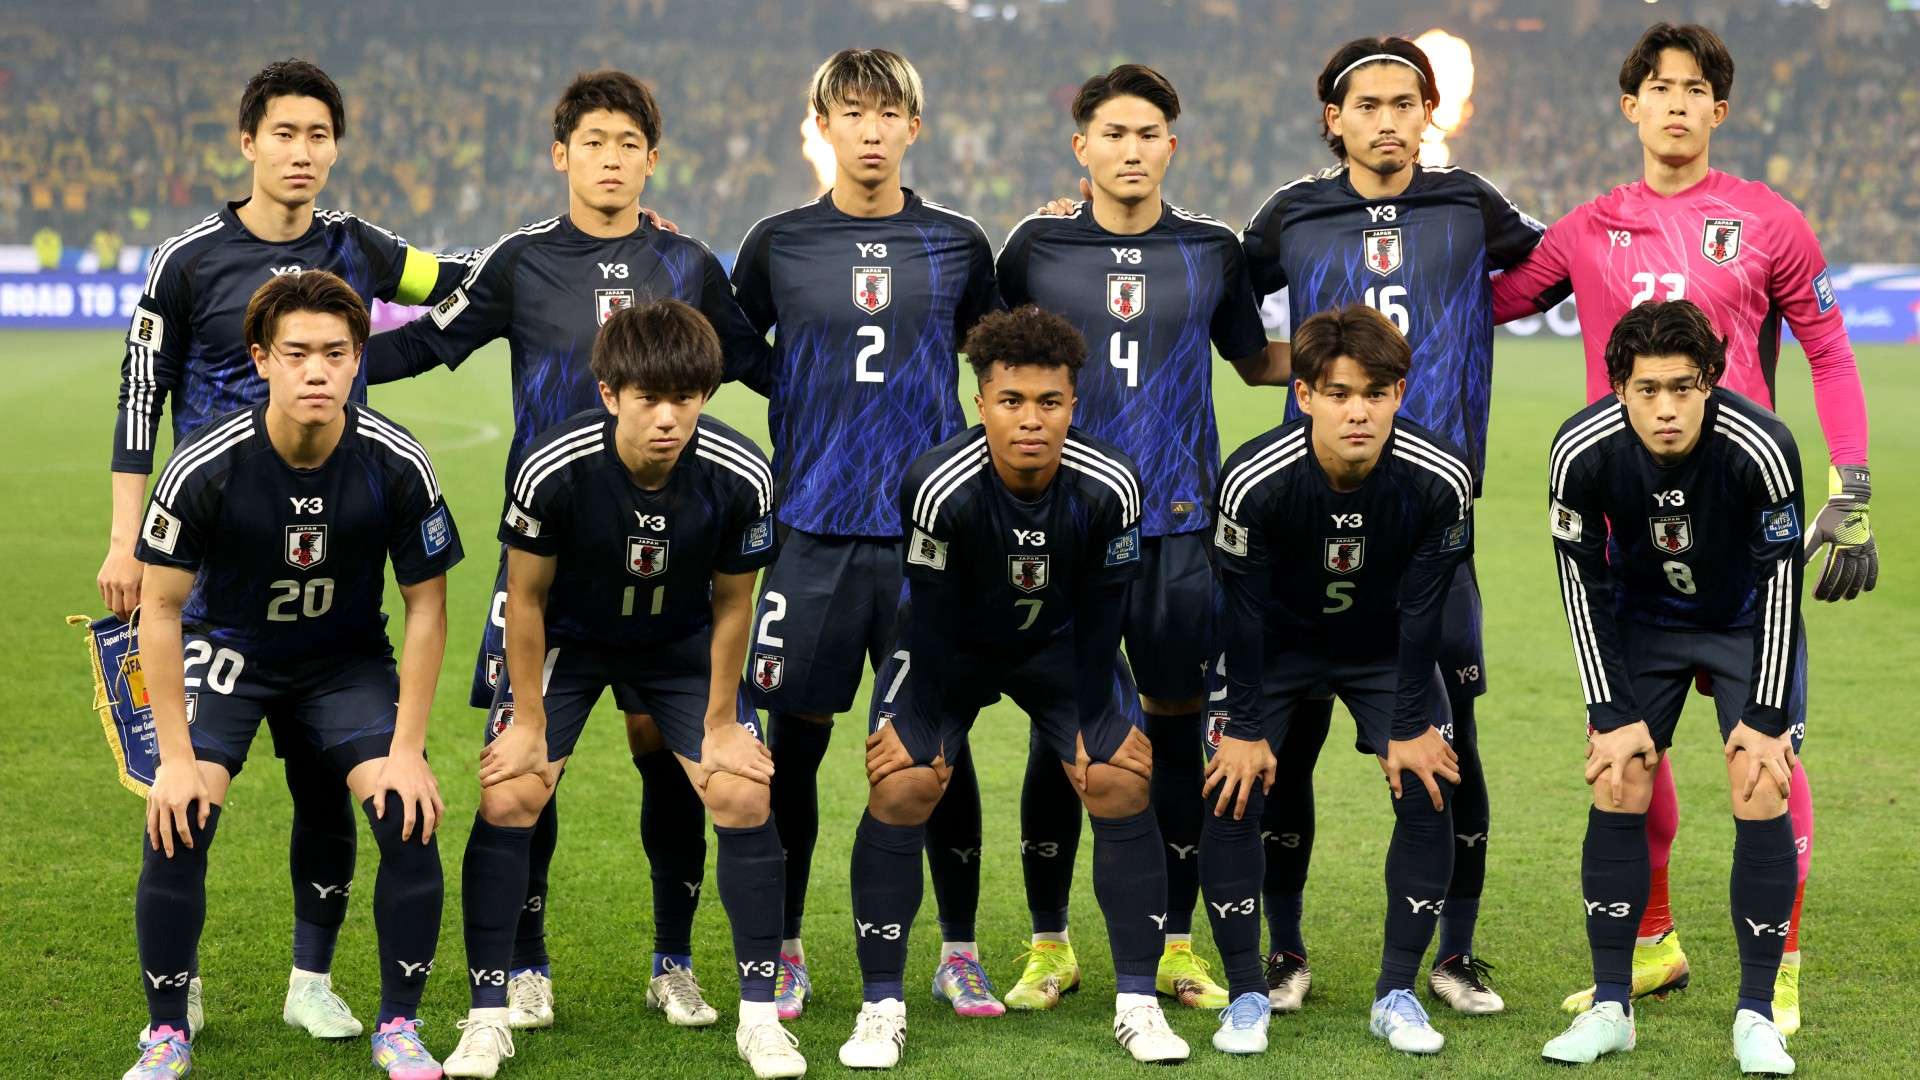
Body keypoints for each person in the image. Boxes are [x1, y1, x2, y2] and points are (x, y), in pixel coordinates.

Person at [365, 70, 771, 1030]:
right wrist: (321, 354)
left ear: (651, 160)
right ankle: (526, 964)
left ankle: (674, 959)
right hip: (546, 560)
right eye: (593, 141)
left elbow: (761, 361)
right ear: (561, 155)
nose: (611, 158)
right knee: (524, 767)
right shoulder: (521, 261)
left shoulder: (688, 262)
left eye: (629, 143)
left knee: (669, 762)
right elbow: (424, 345)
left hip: (669, 561)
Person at [1493, 23, 1873, 1033]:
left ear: (1719, 108)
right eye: (1656, 86)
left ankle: (1777, 967)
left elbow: (1831, 353)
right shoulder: (1586, 229)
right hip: (1626, 550)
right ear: (1630, 107)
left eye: (1693, 87)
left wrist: (1857, 485)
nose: (1673, 102)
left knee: (1766, 756)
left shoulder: (1770, 221)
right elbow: (1488, 301)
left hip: (1747, 540)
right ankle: (1653, 944)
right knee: (1625, 753)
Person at [99, 58, 469, 1043]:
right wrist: (123, 539)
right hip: (208, 564)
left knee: (327, 787)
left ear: (335, 148)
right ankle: (174, 1001)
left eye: (320, 136)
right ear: (248, 142)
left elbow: (459, 283)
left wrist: (588, 246)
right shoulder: (189, 260)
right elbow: (141, 395)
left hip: (331, 559)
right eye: (285, 134)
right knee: (181, 800)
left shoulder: (363, 247)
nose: (302, 153)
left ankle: (312, 981)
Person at [1236, 34, 1546, 1015]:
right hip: (1305, 521)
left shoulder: (1473, 205)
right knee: (1286, 739)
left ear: (1429, 114)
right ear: (1335, 118)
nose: (1385, 118)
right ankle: (1283, 953)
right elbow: (1218, 296)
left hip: (1429, 525)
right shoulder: (1290, 213)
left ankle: (1454, 955)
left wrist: (1469, 333)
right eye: (1365, 104)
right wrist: (1288, 371)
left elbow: (1554, 270)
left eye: (1403, 102)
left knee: (1451, 742)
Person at [441, 300, 799, 1080]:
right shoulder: (552, 466)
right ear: (610, 394)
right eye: (648, 399)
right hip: (570, 639)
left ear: (706, 394)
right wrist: (528, 720)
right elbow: (526, 600)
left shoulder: (741, 474)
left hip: (678, 645)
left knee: (740, 791)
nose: (668, 418)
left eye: (686, 398)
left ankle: (756, 1015)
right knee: (511, 790)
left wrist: (721, 726)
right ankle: (491, 1009)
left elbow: (735, 603)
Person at [122, 270, 463, 1080]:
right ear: (261, 359)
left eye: (336, 353)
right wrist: (173, 758)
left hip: (341, 661)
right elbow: (161, 612)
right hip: (228, 649)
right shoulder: (203, 468)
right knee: (180, 813)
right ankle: (167, 1028)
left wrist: (409, 748)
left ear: (357, 362)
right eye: (298, 352)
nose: (317, 370)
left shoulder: (395, 461)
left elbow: (426, 608)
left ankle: (393, 1024)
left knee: (406, 811)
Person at [993, 61, 1281, 1013]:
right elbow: (987, 359)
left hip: (1177, 530)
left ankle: (1173, 943)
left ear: (1171, 146)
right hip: (1061, 531)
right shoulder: (1035, 245)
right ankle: (1048, 945)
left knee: (1173, 731)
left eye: (1146, 132)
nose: (1129, 149)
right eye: (1110, 133)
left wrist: (1361, 345)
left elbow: (1253, 363)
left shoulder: (1212, 249)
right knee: (1057, 733)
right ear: (1082, 148)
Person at [835, 305, 1187, 1067]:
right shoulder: (936, 484)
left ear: (1074, 405)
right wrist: (920, 728)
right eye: (1012, 402)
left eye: (1049, 403)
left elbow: (1103, 622)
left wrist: (1096, 724)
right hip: (949, 650)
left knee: (1122, 778)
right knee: (901, 785)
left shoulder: (1112, 486)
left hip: (1062, 649)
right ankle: (880, 1006)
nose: (1032, 420)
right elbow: (924, 621)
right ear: (981, 404)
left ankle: (1137, 1005)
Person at [730, 47, 1002, 1019]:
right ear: (824, 126)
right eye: (853, 112)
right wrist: (797, 392)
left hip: (930, 543)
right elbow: (727, 340)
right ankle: (791, 948)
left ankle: (959, 950)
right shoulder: (779, 242)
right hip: (810, 537)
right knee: (791, 750)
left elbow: (1001, 357)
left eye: (889, 114)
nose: (873, 130)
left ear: (913, 128)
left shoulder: (959, 243)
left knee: (939, 749)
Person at [1201, 303, 1472, 1056]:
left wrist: (1411, 723)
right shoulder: (1254, 479)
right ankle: (1247, 995)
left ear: (1399, 394)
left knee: (1428, 783)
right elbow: (1242, 614)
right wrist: (1248, 730)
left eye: (1376, 393)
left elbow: (1424, 611)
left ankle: (1397, 994)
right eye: (1342, 392)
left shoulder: (1440, 478)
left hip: (1382, 649)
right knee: (1232, 787)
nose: (1359, 411)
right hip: (1274, 649)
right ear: (1306, 395)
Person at [1541, 299, 1802, 1076]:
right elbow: (1578, 580)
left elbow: (1782, 580)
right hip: (1642, 619)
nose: (1666, 408)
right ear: (1618, 386)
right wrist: (1609, 711)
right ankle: (1613, 1009)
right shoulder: (1581, 451)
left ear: (1711, 381)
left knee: (1759, 780)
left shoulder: (1761, 445)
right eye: (1648, 389)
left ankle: (1757, 1017)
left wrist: (1764, 715)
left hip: (1744, 622)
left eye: (1684, 388)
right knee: (1618, 777)